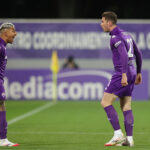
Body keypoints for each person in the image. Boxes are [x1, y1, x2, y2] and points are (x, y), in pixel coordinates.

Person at [100, 11, 142, 147]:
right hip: (132, 70)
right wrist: (139, 72)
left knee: (105, 102)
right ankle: (129, 139)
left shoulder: (115, 37)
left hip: (121, 73)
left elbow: (123, 54)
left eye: (102, 21)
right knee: (126, 105)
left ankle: (118, 134)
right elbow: (138, 53)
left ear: (109, 22)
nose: (101, 24)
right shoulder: (127, 35)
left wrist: (123, 74)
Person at [0, 23, 19, 147]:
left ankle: (3, 139)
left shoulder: (3, 46)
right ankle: (3, 139)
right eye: (13, 31)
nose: (15, 33)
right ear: (5, 32)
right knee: (1, 105)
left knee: (1, 105)